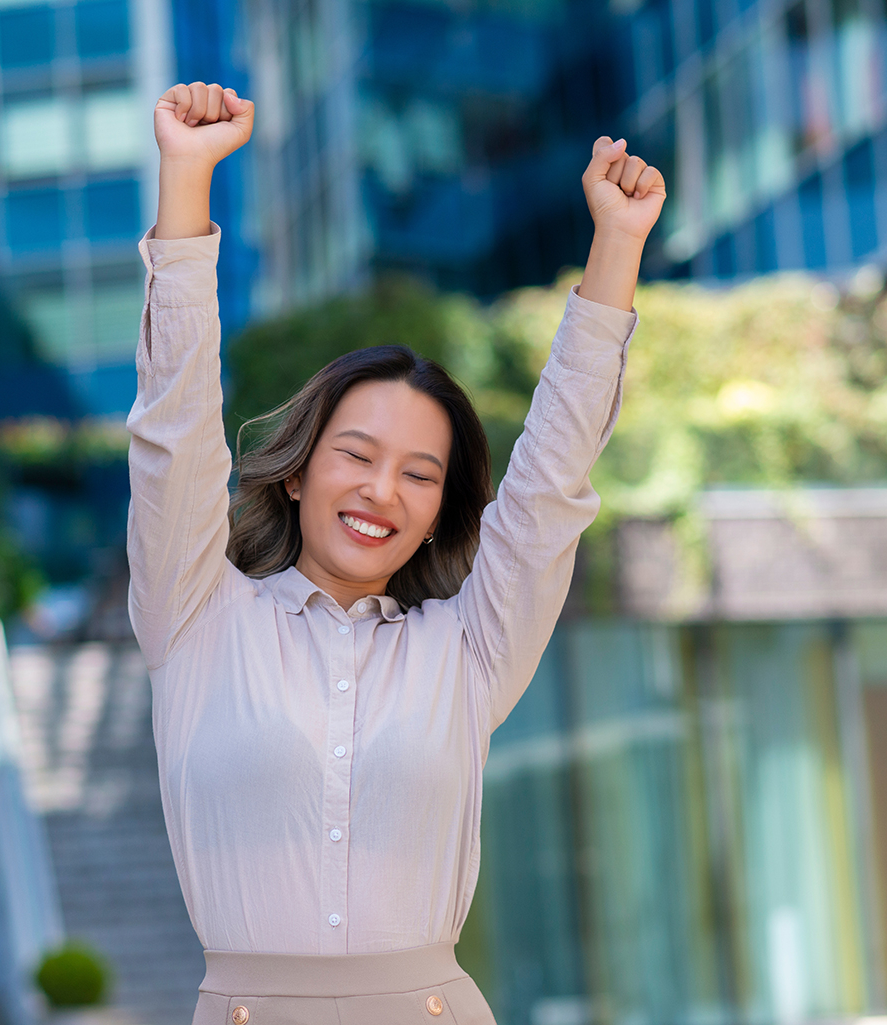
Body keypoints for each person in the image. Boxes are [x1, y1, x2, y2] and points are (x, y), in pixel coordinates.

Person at [127, 81, 665, 1025]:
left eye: (420, 474)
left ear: (436, 514)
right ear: (297, 473)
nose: (382, 491)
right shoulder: (195, 616)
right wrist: (187, 179)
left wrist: (615, 245)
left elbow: (546, 486)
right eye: (356, 455)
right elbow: (174, 431)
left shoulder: (467, 652)